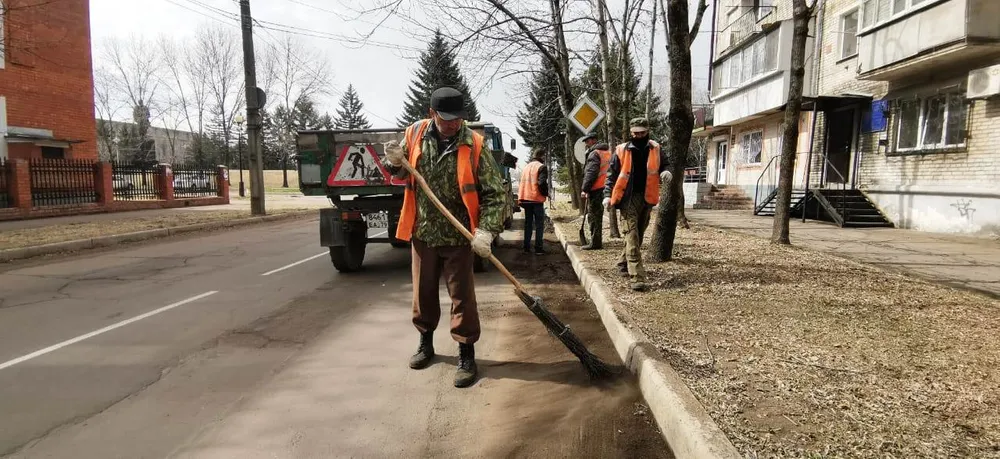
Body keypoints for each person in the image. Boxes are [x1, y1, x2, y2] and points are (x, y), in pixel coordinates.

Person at [383, 87, 507, 388]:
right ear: (432, 114)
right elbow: (398, 175)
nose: (453, 124)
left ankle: (466, 353)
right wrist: (394, 163)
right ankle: (425, 342)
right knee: (422, 294)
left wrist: (485, 231)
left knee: (462, 297)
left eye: (458, 119)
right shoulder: (413, 134)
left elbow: (495, 193)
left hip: (459, 236)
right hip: (423, 232)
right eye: (447, 119)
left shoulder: (474, 144)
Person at [603, 117, 671, 292]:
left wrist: (666, 171)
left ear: (647, 131)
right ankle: (637, 277)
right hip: (627, 198)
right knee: (632, 235)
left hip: (647, 198)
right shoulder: (620, 150)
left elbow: (665, 164)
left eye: (642, 133)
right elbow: (611, 175)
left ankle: (622, 262)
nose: (639, 136)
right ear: (630, 133)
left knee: (638, 235)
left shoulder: (656, 148)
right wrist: (606, 196)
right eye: (636, 133)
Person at [579, 133, 611, 250]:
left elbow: (591, 173)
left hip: (597, 189)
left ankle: (595, 243)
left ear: (593, 140)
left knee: (594, 217)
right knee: (597, 216)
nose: (586, 144)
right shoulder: (607, 152)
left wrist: (585, 189)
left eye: (587, 141)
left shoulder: (594, 153)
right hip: (606, 187)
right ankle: (596, 241)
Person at [517, 148, 549, 255]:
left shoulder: (526, 167)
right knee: (539, 224)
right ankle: (538, 248)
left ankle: (526, 247)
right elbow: (541, 183)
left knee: (528, 224)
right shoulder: (541, 167)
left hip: (526, 199)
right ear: (542, 156)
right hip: (536, 199)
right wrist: (545, 193)